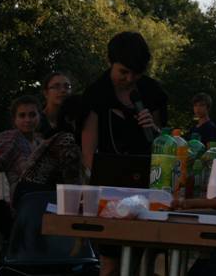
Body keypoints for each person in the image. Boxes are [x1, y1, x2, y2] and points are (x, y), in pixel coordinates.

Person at [80, 31, 167, 276]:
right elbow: (88, 150)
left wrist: (154, 128)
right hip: (109, 191)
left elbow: (163, 144)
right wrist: (104, 185)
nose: (129, 79)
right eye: (123, 72)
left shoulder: (152, 92)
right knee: (110, 263)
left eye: (135, 74)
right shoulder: (96, 94)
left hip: (147, 186)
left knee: (144, 262)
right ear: (111, 62)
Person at [14, 94, 88, 206]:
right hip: (36, 200)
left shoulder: (56, 137)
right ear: (69, 119)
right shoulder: (67, 140)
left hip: (30, 197)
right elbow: (73, 187)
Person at [0, 95, 43, 205]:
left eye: (32, 115)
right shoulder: (10, 138)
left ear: (39, 116)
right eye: (22, 115)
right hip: (24, 201)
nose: (28, 120)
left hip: (46, 197)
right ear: (14, 119)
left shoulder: (41, 142)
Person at [37, 71, 72, 138]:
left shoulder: (73, 121)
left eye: (67, 87)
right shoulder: (34, 120)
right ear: (46, 93)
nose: (63, 90)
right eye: (57, 87)